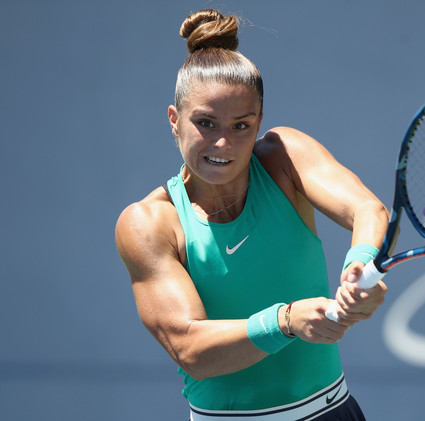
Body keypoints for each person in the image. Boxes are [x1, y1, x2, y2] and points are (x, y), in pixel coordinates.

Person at [115, 9, 390, 421]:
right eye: (206, 123)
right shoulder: (149, 223)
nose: (223, 143)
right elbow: (190, 349)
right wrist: (285, 321)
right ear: (175, 121)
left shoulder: (284, 157)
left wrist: (359, 266)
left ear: (259, 121)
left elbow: (368, 209)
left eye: (241, 126)